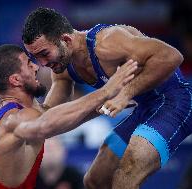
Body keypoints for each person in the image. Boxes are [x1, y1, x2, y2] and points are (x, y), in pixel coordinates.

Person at [22, 7, 192, 189]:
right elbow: (49, 116)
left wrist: (125, 93)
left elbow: (172, 56)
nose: (42, 64)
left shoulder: (106, 42)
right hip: (145, 109)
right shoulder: (62, 69)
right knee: (95, 180)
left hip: (175, 102)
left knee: (127, 175)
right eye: (36, 57)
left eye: (44, 54)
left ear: (66, 40)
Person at [0, 44, 137, 189]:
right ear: (15, 80)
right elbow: (52, 123)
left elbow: (50, 115)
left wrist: (102, 105)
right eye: (29, 65)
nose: (36, 68)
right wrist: (106, 92)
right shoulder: (15, 117)